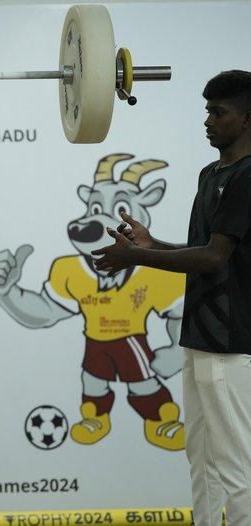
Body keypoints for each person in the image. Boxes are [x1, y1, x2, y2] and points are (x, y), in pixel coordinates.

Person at [91, 69, 251, 526]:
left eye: (218, 112)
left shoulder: (248, 177)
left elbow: (215, 259)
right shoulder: (210, 174)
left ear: (247, 119)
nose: (207, 120)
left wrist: (138, 258)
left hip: (232, 344)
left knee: (238, 467)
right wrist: (150, 243)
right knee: (200, 458)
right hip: (198, 338)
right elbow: (201, 246)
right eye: (206, 111)